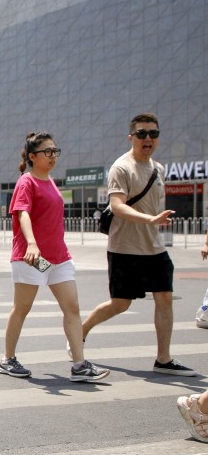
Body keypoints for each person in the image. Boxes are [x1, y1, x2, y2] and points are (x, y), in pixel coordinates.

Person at [80, 113, 197, 377]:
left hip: (155, 248)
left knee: (165, 298)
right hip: (125, 248)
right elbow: (118, 205)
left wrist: (155, 220)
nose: (148, 139)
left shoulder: (159, 169)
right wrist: (150, 219)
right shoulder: (121, 167)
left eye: (153, 134)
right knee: (120, 304)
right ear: (131, 137)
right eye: (142, 134)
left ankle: (164, 360)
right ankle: (81, 331)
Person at [0, 132, 109, 382]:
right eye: (47, 152)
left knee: (72, 308)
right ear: (32, 156)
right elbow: (22, 214)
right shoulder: (27, 182)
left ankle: (79, 365)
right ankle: (8, 360)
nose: (53, 156)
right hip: (33, 257)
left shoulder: (50, 181)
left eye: (55, 151)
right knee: (22, 309)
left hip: (58, 258)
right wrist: (32, 244)